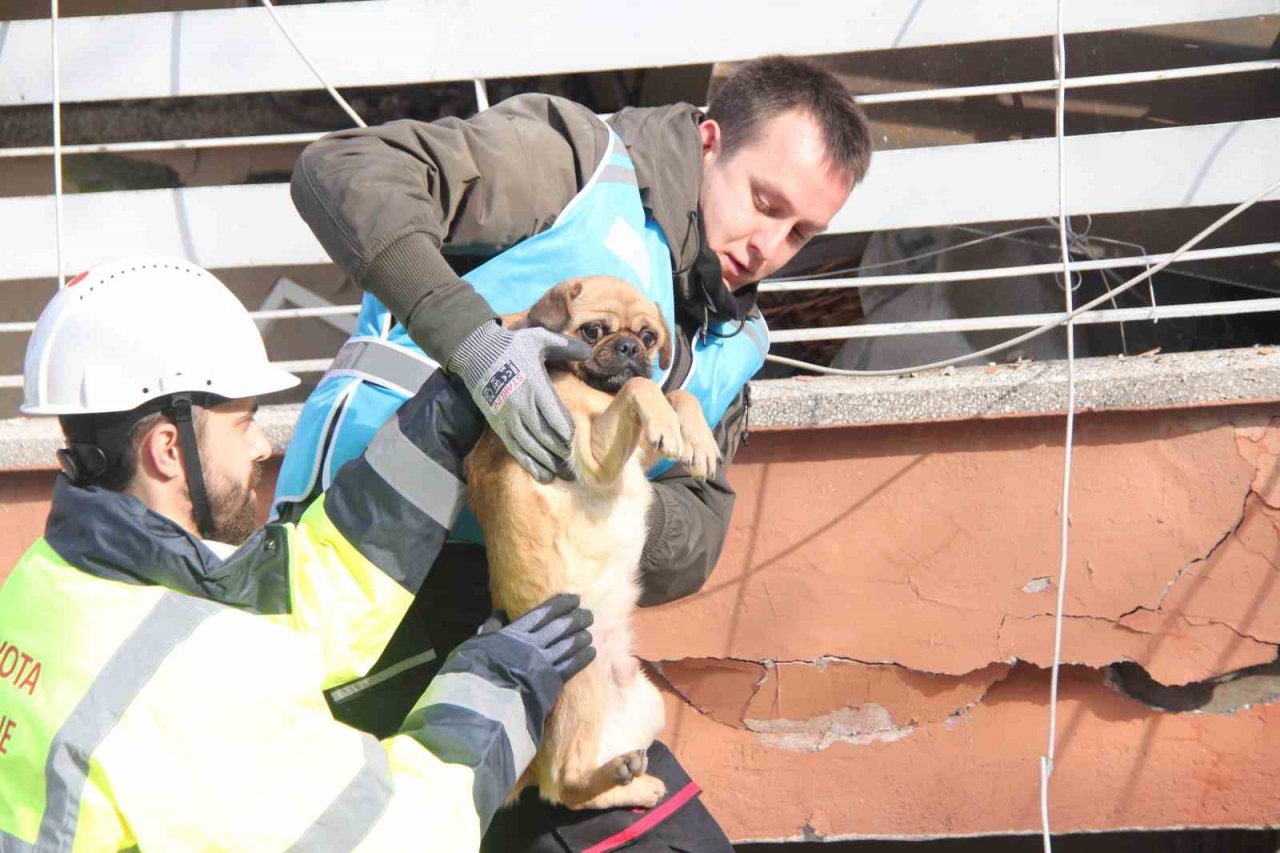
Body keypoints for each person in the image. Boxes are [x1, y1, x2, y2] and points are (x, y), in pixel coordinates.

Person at [279, 55, 872, 849]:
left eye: (801, 231)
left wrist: (603, 492)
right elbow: (340, 169)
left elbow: (698, 532)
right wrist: (481, 349)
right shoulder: (574, 164)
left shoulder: (734, 338)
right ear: (707, 142)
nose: (769, 244)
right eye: (764, 203)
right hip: (374, 571)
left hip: (554, 629)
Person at [0, 257, 596, 851]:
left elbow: (297, 600)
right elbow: (393, 837)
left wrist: (455, 407)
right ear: (167, 449)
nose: (261, 445)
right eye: (243, 424)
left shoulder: (51, 579)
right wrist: (499, 690)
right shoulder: (189, 686)